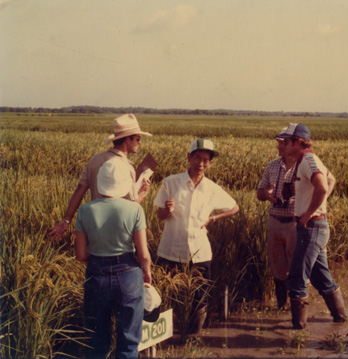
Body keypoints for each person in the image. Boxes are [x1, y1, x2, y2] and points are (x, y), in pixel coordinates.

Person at [153, 138, 239, 334]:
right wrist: (166, 210)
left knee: (200, 295)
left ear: (210, 163)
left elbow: (235, 208)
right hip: (171, 249)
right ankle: (171, 335)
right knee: (169, 293)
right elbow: (160, 216)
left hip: (200, 252)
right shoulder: (171, 182)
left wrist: (213, 218)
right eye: (197, 158)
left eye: (206, 160)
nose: (201, 163)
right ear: (188, 157)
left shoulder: (211, 188)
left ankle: (193, 337)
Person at [75, 156, 152, 359]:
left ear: (101, 184)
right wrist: (147, 272)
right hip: (128, 275)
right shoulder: (135, 209)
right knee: (128, 343)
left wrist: (100, 252)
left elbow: (81, 255)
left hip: (96, 276)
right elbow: (143, 254)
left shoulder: (84, 211)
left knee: (97, 342)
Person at [278, 123, 347, 329]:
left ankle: (297, 333)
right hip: (315, 227)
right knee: (320, 276)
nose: (283, 145)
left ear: (298, 142)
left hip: (312, 227)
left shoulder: (307, 160)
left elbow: (323, 186)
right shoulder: (306, 160)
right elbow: (331, 179)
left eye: (287, 142)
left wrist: (310, 212)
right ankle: (340, 320)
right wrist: (317, 204)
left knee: (297, 279)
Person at [49, 113, 152, 242]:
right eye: (137, 138)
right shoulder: (126, 167)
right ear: (127, 139)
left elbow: (79, 191)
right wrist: (142, 194)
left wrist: (66, 220)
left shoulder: (95, 160)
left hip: (94, 230)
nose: (140, 143)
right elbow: (130, 208)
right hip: (118, 234)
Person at [257, 128, 296, 309]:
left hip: (295, 224)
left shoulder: (303, 165)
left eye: (283, 143)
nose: (279, 146)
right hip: (274, 221)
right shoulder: (272, 165)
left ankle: (297, 311)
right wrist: (267, 194)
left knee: (297, 268)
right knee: (278, 268)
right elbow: (259, 192)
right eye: (278, 143)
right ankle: (282, 307)